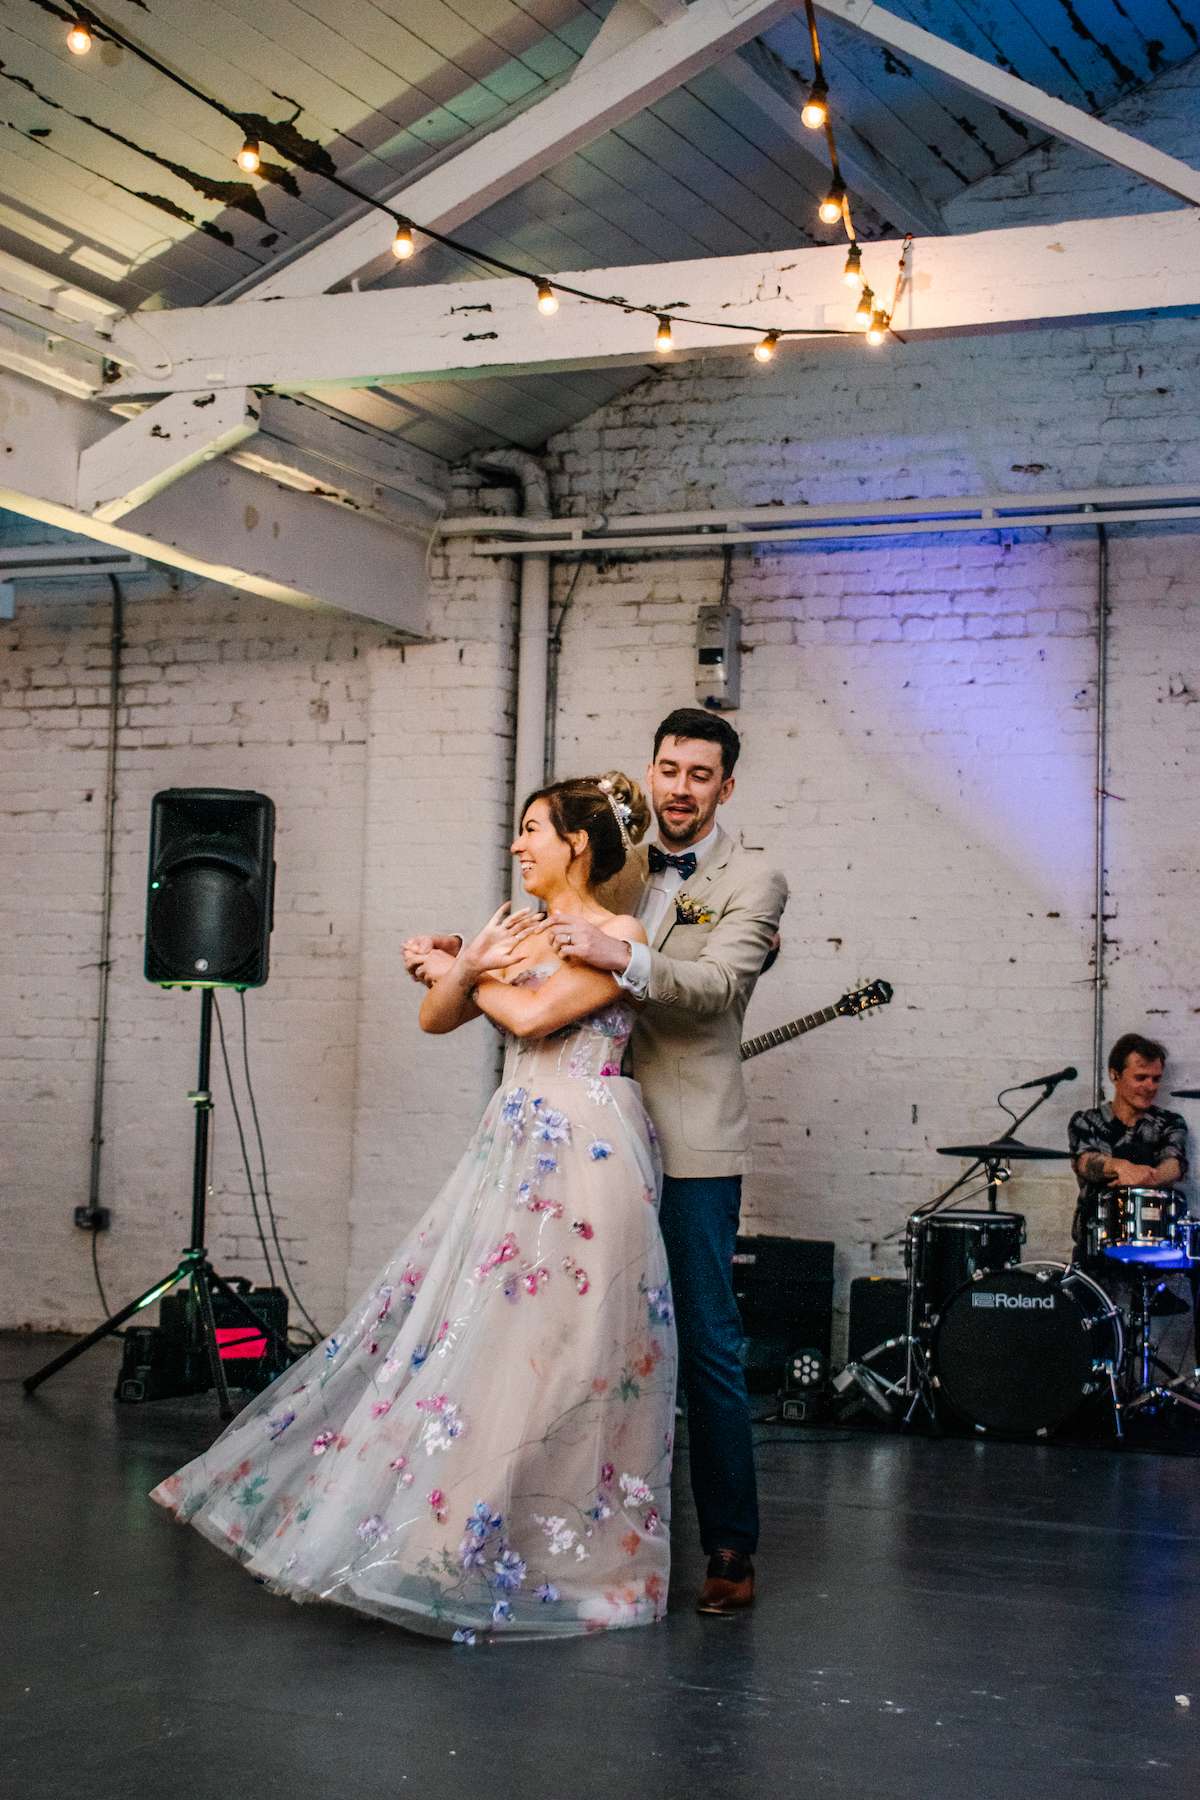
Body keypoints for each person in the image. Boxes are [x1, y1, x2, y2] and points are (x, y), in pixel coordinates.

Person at [152, 772, 678, 1644]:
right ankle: (457, 1537)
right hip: (516, 1140)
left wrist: (461, 970)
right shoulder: (515, 930)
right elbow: (438, 1018)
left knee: (573, 1350)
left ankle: (561, 1551)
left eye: (534, 829)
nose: (519, 845)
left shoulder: (619, 936)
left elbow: (536, 1015)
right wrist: (459, 970)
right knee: (490, 1338)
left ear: (578, 842)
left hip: (587, 1147)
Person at [532, 708, 788, 1615]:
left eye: (700, 775)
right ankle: (569, 1531)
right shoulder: (619, 865)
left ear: (726, 786)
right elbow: (554, 941)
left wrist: (621, 956)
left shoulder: (754, 878)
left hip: (688, 1142)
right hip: (592, 1133)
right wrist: (468, 962)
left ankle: (730, 1548)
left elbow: (717, 988)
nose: (681, 789)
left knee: (707, 1342)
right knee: (581, 1332)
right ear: (651, 773)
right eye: (669, 770)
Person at [1068, 1033, 1189, 1259]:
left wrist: (1148, 1177)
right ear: (1114, 1075)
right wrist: (1121, 1167)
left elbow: (1175, 1164)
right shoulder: (1086, 1120)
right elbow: (1085, 1162)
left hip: (1157, 1246)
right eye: (1141, 1077)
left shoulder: (1170, 1122)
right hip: (1096, 1247)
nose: (1150, 1086)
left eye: (1156, 1079)